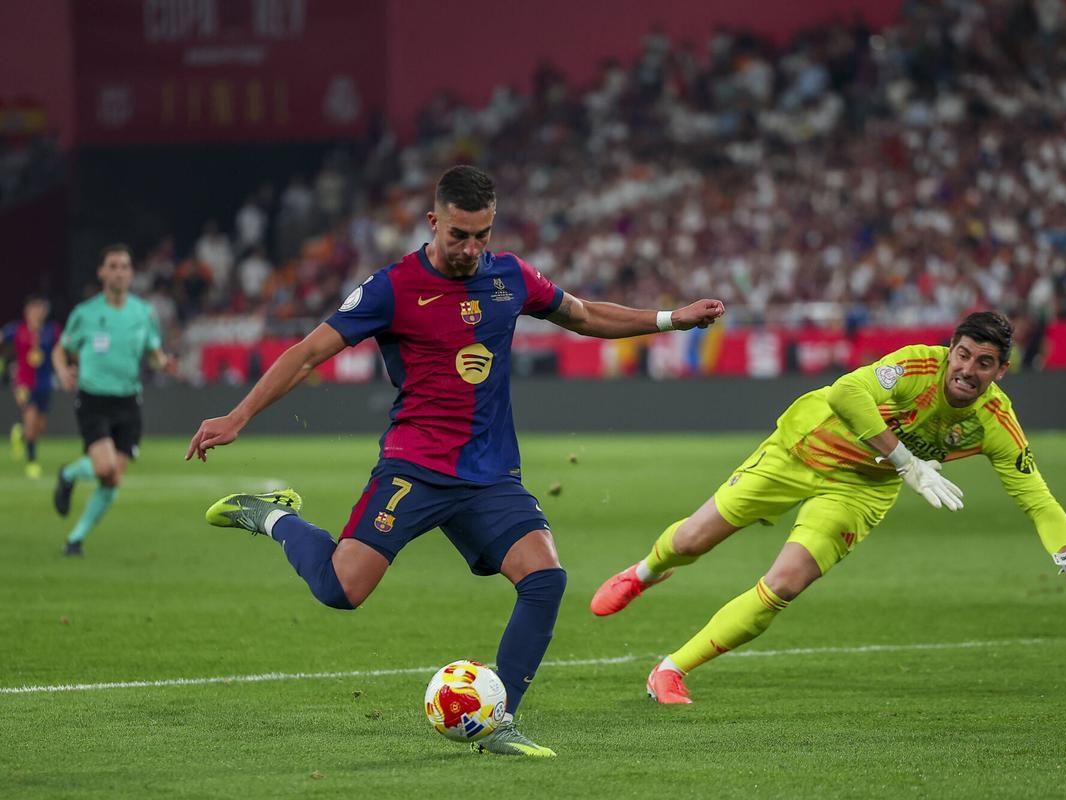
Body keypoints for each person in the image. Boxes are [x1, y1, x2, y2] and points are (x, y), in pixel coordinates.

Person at [186, 165, 725, 757]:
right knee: (342, 590)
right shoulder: (391, 288)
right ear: (433, 222)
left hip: (491, 474)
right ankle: (274, 516)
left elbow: (584, 314)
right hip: (415, 467)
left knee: (545, 580)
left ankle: (498, 723)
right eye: (459, 235)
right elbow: (309, 352)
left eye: (482, 236)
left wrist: (672, 319)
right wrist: (238, 417)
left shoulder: (510, 277)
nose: (470, 249)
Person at [590, 311, 1066, 704]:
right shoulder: (913, 367)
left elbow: (1036, 497)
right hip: (803, 447)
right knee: (691, 541)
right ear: (949, 350)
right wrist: (908, 461)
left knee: (785, 584)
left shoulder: (995, 422)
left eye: (984, 363)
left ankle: (671, 669)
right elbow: (845, 393)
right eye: (963, 355)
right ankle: (645, 572)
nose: (968, 370)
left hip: (860, 489)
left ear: (1001, 371)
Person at [51, 244, 175, 556]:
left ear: (132, 273)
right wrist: (63, 370)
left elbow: (154, 353)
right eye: (113, 266)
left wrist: (164, 363)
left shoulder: (143, 313)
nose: (119, 271)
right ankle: (68, 475)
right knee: (105, 467)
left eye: (125, 266)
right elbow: (60, 349)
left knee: (112, 478)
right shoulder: (86, 313)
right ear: (102, 272)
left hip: (128, 401)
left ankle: (75, 538)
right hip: (94, 399)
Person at [2, 296, 60, 478]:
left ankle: (20, 434)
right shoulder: (17, 329)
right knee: (31, 415)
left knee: (39, 426)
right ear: (27, 311)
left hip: (45, 383)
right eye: (34, 309)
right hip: (24, 383)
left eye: (40, 309)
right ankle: (32, 462)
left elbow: (64, 346)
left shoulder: (52, 331)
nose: (37, 313)